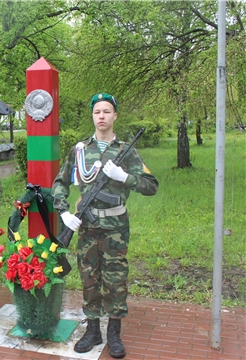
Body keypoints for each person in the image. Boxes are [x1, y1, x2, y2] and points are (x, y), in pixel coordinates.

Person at [51, 93, 159, 359]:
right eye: (97, 111)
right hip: (86, 226)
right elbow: (60, 182)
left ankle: (114, 333)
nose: (101, 116)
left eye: (107, 111)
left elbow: (151, 186)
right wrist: (63, 212)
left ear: (114, 116)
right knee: (89, 279)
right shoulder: (79, 150)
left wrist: (124, 177)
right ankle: (93, 331)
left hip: (115, 229)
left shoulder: (126, 151)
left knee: (115, 281)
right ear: (93, 116)